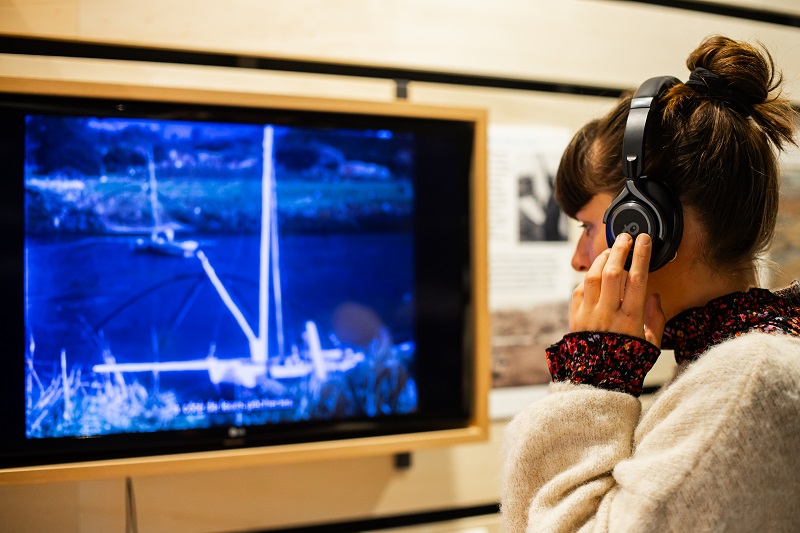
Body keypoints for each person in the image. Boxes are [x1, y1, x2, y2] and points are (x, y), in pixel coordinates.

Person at [501, 35, 800, 532]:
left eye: (588, 228)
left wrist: (591, 375)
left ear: (646, 223)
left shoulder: (749, 380)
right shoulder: (745, 360)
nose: (579, 260)